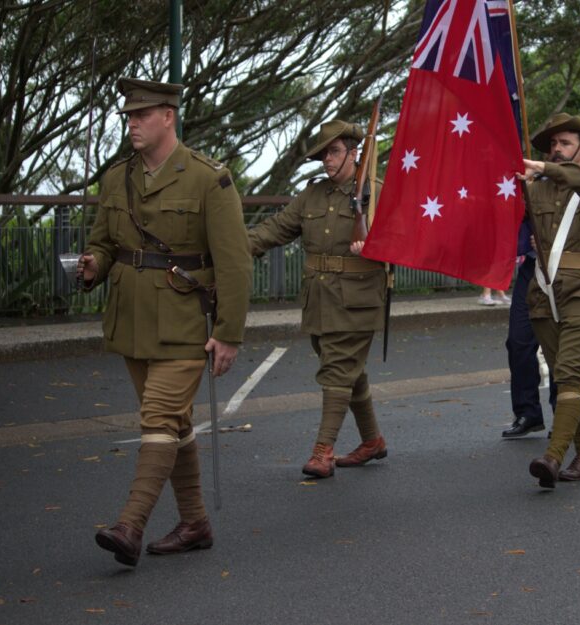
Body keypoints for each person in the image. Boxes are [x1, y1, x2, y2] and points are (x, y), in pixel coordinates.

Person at [81, 78, 252, 567]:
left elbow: (235, 261)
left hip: (184, 321)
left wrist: (229, 332)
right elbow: (106, 243)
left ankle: (129, 525)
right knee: (174, 424)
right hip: (131, 320)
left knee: (156, 417)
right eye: (128, 116)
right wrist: (93, 263)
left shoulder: (208, 178)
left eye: (142, 115)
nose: (132, 123)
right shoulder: (117, 178)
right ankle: (195, 523)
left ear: (168, 116)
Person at [248, 119, 389, 478]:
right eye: (324, 153)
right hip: (320, 298)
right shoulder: (312, 194)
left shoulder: (378, 191)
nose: (328, 159)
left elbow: (405, 241)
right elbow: (277, 227)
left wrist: (374, 243)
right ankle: (372, 440)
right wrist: (235, 245)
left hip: (358, 298)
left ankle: (322, 451)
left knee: (337, 371)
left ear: (354, 153)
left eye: (335, 151)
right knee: (346, 370)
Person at [520, 113, 580, 488]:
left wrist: (546, 168)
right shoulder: (535, 188)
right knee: (566, 376)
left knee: (571, 375)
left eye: (564, 144)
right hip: (544, 292)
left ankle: (554, 456)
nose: (557, 151)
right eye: (552, 145)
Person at [502, 220, 556, 438]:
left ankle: (564, 413)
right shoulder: (522, 187)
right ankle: (527, 412)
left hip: (561, 269)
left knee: (557, 345)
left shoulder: (569, 186)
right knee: (518, 341)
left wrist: (551, 241)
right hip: (530, 270)